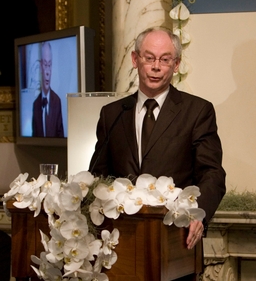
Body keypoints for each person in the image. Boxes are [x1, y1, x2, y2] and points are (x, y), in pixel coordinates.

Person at [89, 27, 226, 280]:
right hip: (122, 247)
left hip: (175, 245)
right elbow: (98, 175)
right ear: (135, 60)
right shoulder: (112, 114)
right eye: (149, 58)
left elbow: (213, 173)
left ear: (176, 65)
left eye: (165, 59)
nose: (156, 66)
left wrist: (199, 214)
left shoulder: (197, 111)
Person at [32, 41, 64, 137]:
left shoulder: (57, 101)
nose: (47, 72)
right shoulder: (36, 104)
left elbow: (60, 135)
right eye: (45, 65)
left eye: (49, 65)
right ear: (41, 67)